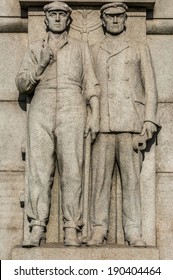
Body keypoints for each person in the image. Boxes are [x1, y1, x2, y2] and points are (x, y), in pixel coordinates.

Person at [16, 1, 99, 247]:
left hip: (72, 104)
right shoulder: (35, 48)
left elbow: (91, 83)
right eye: (53, 14)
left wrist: (95, 114)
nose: (57, 18)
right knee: (40, 169)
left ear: (68, 19)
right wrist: (41, 64)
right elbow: (22, 84)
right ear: (46, 19)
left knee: (72, 168)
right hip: (41, 102)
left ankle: (71, 226)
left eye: (62, 14)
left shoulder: (80, 47)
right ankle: (37, 226)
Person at [87, 2, 158, 247]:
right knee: (100, 182)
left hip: (131, 122)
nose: (115, 21)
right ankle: (98, 229)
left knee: (131, 182)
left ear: (125, 19)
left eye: (119, 16)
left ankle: (133, 231)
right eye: (110, 16)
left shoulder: (138, 47)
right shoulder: (93, 49)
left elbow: (150, 86)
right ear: (103, 20)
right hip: (103, 124)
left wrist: (149, 119)